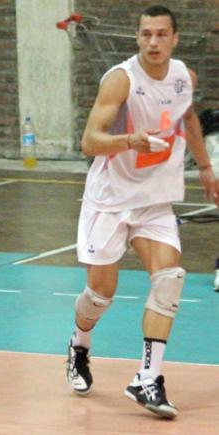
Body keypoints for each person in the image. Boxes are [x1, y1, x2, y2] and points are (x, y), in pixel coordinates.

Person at [65, 5, 218, 419]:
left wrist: (206, 167)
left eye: (161, 34)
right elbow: (90, 142)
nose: (153, 42)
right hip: (110, 201)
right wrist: (130, 140)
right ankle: (79, 344)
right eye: (146, 34)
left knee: (169, 280)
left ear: (175, 39)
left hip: (154, 201)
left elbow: (188, 118)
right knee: (100, 295)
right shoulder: (121, 80)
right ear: (137, 37)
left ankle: (147, 378)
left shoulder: (184, 77)